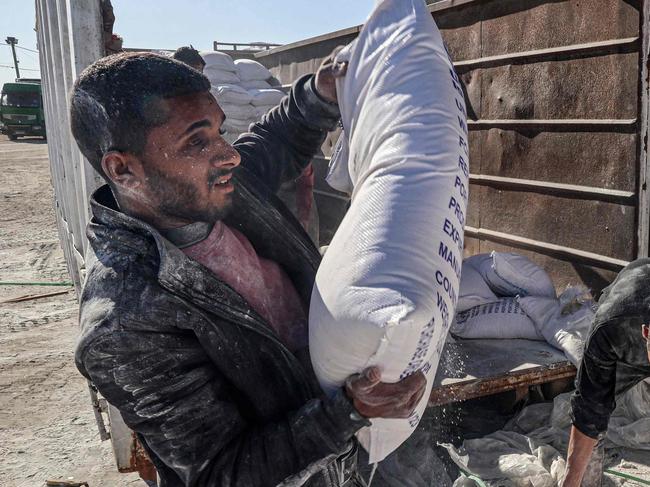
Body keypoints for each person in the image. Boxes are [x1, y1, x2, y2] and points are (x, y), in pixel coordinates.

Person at [70, 51, 426, 487]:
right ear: (122, 169)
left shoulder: (213, 192)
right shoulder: (126, 324)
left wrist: (320, 94)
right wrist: (347, 413)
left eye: (219, 130)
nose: (228, 155)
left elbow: (275, 141)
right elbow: (223, 474)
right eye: (197, 141)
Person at [562, 259, 650, 487]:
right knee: (596, 412)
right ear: (647, 332)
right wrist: (570, 481)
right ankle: (588, 481)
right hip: (625, 329)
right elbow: (589, 408)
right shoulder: (610, 330)